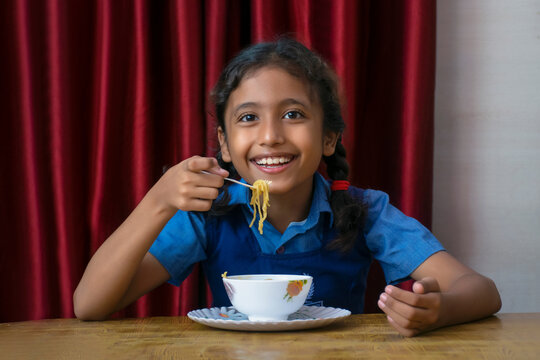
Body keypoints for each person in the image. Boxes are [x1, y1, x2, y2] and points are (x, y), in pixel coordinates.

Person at [73, 38, 501, 337]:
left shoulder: (364, 211)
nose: (271, 136)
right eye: (247, 118)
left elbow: (482, 291)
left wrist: (437, 311)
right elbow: (89, 305)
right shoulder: (209, 214)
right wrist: (158, 201)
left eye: (293, 114)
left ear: (329, 137)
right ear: (223, 143)